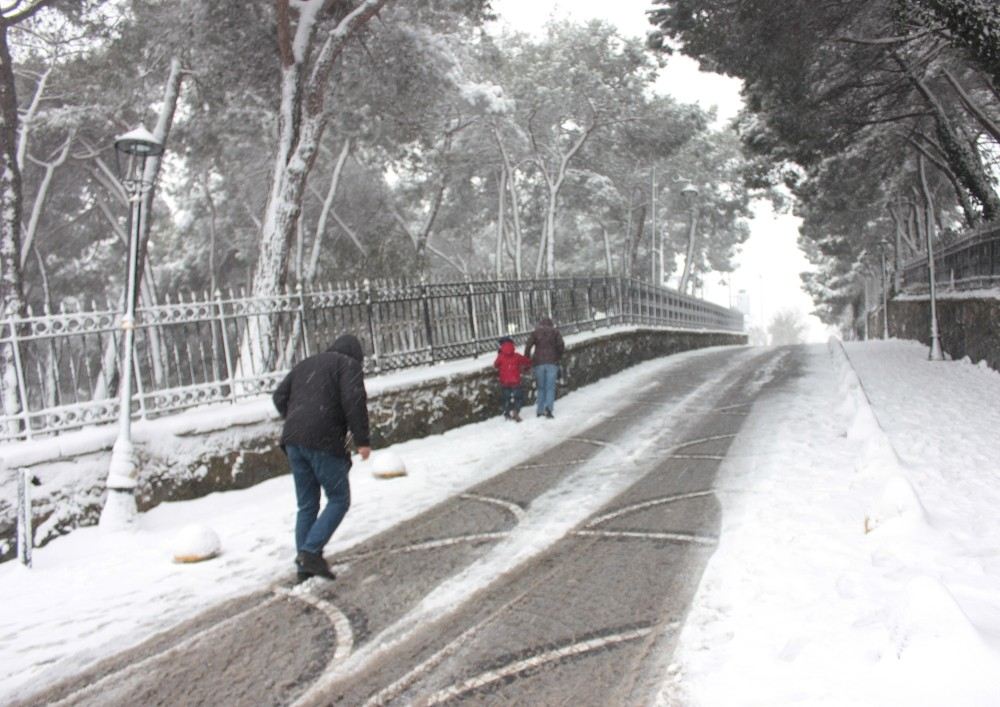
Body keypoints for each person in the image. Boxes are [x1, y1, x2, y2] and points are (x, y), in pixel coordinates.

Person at [273, 334, 371, 582]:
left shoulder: (306, 363)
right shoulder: (348, 365)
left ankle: (304, 568)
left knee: (307, 505)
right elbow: (354, 401)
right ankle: (309, 552)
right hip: (323, 440)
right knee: (339, 499)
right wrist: (362, 441)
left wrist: (297, 418)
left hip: (293, 440)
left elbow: (278, 396)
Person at [524, 316, 565, 418]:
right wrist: (558, 356)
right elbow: (561, 346)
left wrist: (527, 358)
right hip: (552, 362)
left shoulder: (536, 332)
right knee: (550, 388)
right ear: (551, 324)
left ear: (541, 324)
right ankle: (549, 409)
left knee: (541, 387)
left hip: (538, 363)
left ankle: (540, 410)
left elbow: (528, 345)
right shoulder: (555, 332)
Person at [494, 336, 532, 422]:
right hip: (515, 381)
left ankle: (507, 413)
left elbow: (495, 365)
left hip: (504, 381)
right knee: (519, 397)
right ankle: (516, 411)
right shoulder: (516, 356)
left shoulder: (501, 356)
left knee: (506, 398)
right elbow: (527, 361)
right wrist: (529, 364)